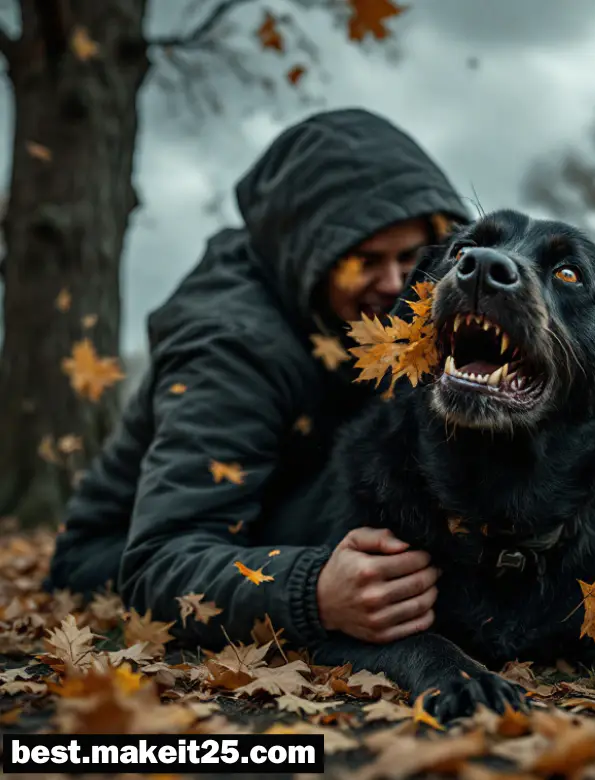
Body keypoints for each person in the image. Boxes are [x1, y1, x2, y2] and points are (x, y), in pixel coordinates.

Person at [45, 108, 470, 650]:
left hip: (282, 521)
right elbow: (160, 561)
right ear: (310, 254)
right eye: (365, 260)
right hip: (121, 554)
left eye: (412, 257)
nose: (395, 283)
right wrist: (312, 591)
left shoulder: (396, 318)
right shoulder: (229, 347)